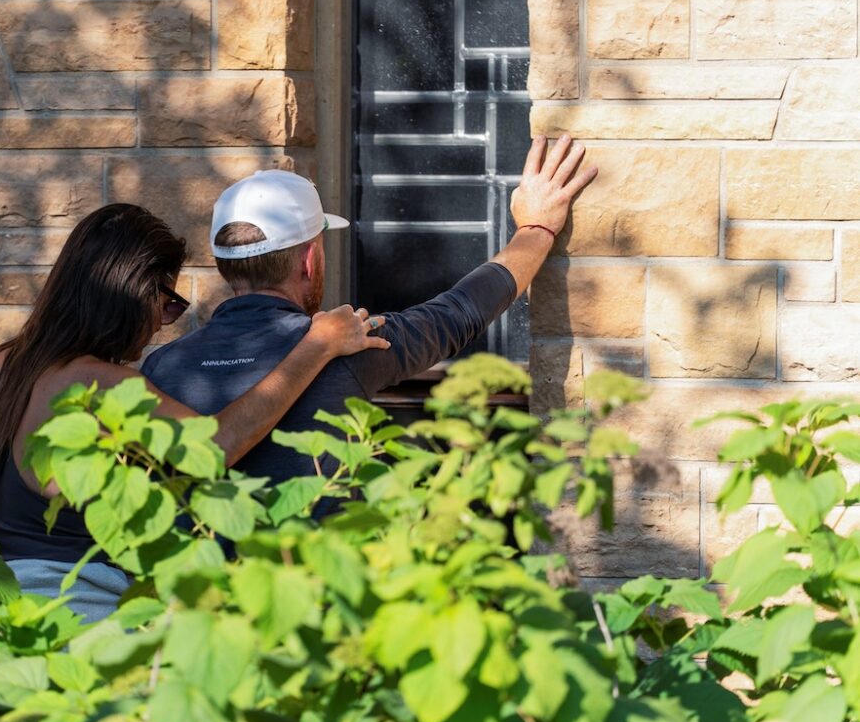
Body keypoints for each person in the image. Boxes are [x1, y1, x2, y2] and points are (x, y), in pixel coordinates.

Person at [0, 203, 389, 621]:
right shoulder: (103, 384)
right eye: (168, 302)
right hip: (72, 615)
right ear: (134, 292)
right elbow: (215, 446)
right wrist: (316, 346)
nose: (163, 324)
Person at [142, 134, 598, 509]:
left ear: (225, 265)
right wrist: (536, 229)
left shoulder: (160, 370)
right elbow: (459, 313)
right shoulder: (349, 348)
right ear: (308, 260)